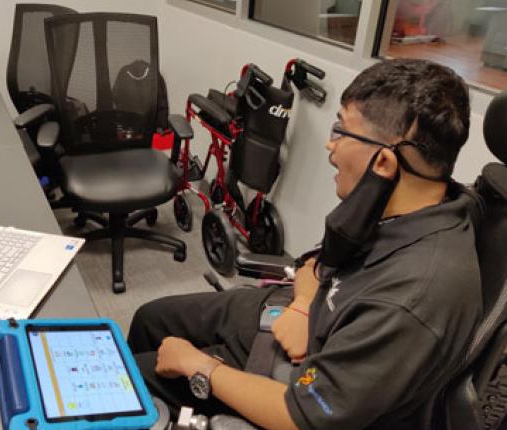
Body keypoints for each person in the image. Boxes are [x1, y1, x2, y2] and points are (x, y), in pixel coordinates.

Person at [127, 59, 482, 430]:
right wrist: (304, 305)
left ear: (384, 162)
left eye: (342, 131)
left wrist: (200, 367)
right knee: (151, 318)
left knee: (134, 379)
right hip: (289, 313)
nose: (331, 144)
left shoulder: (415, 297)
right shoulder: (401, 204)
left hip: (289, 381)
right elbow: (318, 263)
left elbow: (304, 415)